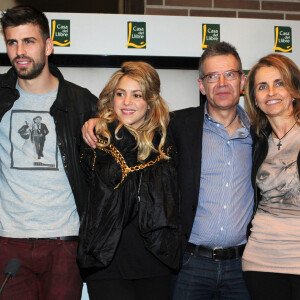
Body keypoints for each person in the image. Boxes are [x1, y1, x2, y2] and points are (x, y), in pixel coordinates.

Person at [82, 41, 253, 299]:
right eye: (212, 76)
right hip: (187, 263)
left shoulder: (259, 134)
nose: (221, 83)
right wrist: (97, 122)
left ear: (242, 81)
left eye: (229, 74)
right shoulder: (179, 126)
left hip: (237, 264)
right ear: (201, 85)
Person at [0, 5, 97, 300]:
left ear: (48, 45)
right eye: (12, 42)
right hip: (8, 241)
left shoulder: (82, 102)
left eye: (29, 41)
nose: (20, 51)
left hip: (64, 241)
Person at [77, 61, 181, 300]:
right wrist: (101, 124)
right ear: (111, 98)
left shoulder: (166, 141)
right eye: (120, 94)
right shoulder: (94, 141)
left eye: (137, 95)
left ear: (150, 101)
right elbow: (84, 196)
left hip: (155, 261)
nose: (127, 102)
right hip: (106, 262)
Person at [242, 54, 300, 300]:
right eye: (262, 87)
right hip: (260, 260)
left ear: (294, 89)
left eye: (279, 83)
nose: (271, 92)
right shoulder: (255, 142)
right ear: (255, 99)